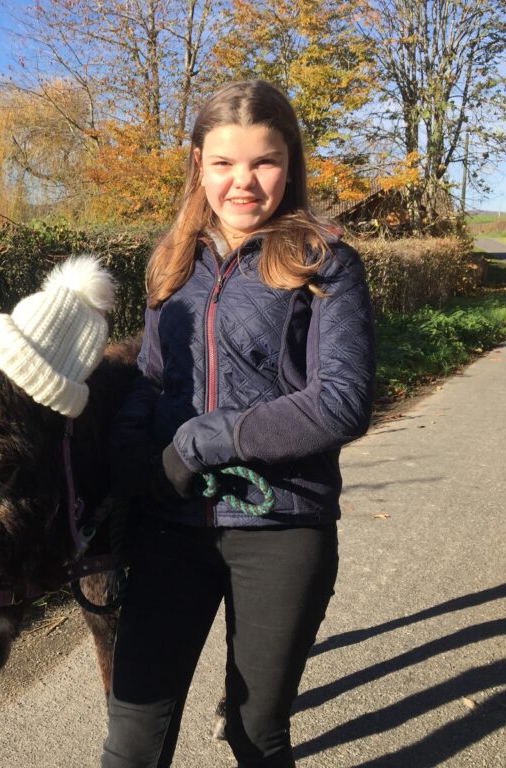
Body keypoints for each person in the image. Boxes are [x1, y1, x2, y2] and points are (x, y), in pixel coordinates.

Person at [102, 79, 376, 767]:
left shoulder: (327, 262)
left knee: (256, 739)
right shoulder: (170, 261)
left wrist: (200, 441)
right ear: (198, 163)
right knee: (131, 745)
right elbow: (154, 377)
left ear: (292, 164)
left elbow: (340, 401)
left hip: (283, 530)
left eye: (265, 161)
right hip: (170, 529)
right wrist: (133, 453)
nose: (244, 182)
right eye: (224, 162)